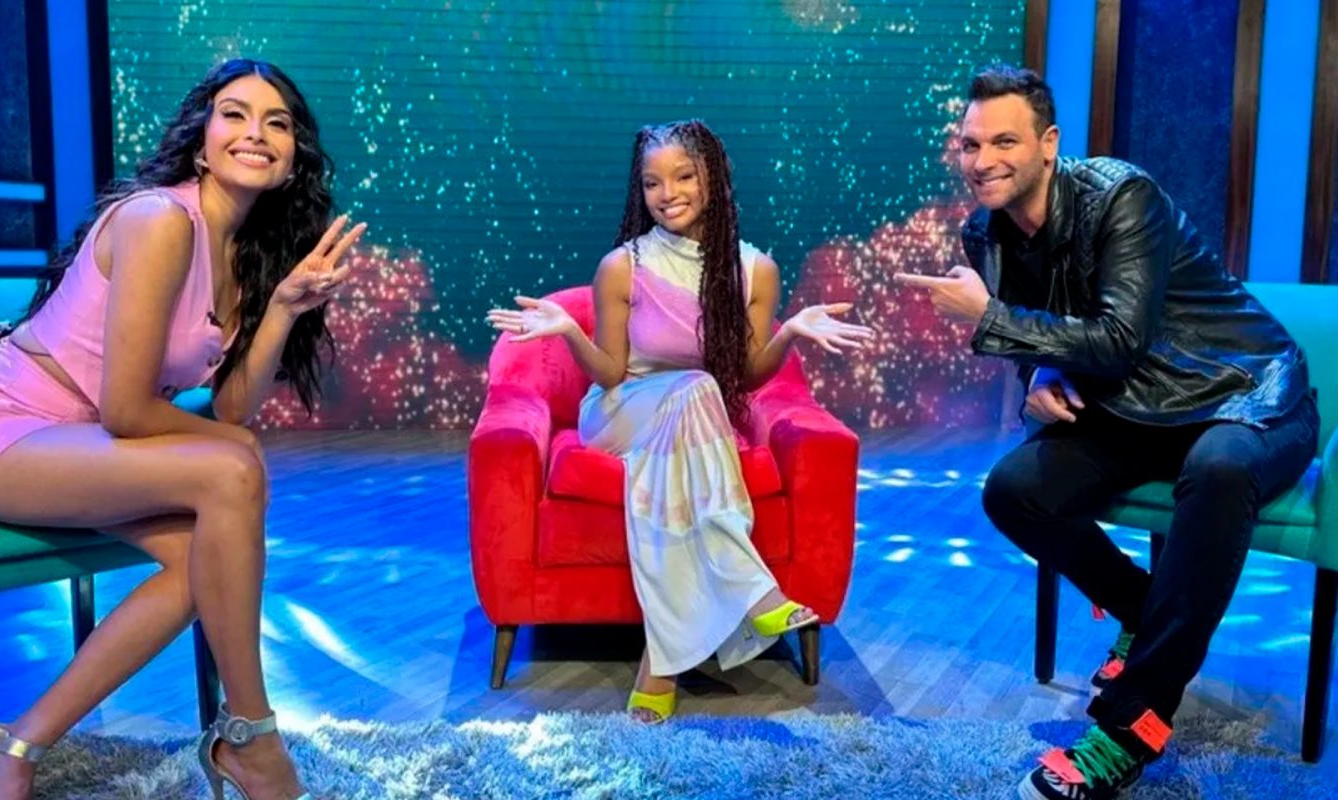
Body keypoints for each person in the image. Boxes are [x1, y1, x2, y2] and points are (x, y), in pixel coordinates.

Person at [0, 58, 365, 800]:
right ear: (202, 142)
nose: (255, 132)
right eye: (234, 114)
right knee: (233, 469)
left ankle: (11, 750)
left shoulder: (243, 256)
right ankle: (252, 737)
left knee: (203, 561)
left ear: (293, 161)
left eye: (277, 123)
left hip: (82, 444)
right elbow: (129, 411)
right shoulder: (161, 220)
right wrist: (237, 451)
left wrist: (283, 308)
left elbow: (232, 409)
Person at [896, 64, 1318, 800]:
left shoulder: (1122, 196)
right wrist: (1036, 373)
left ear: (1048, 143)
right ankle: (1150, 616)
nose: (983, 160)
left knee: (1219, 470)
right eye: (970, 144)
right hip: (1135, 406)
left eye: (1004, 141)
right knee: (1013, 489)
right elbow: (1045, 336)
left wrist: (990, 318)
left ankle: (1130, 728)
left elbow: (1119, 338)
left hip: (1245, 393)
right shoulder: (984, 233)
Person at [487, 119, 873, 723]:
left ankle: (659, 667)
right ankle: (754, 590)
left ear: (712, 179)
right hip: (620, 413)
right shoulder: (623, 265)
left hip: (691, 421)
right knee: (697, 387)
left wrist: (791, 332)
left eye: (683, 176)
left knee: (694, 405)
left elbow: (746, 375)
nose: (667, 194)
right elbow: (610, 374)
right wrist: (568, 331)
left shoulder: (754, 270)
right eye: (652, 183)